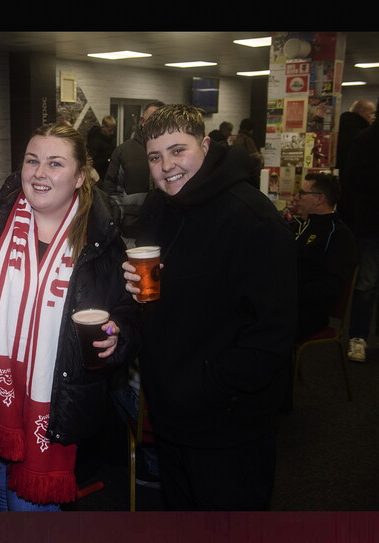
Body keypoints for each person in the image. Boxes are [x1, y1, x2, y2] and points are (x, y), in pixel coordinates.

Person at [123, 104, 296, 510]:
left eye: (177, 150)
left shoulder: (253, 220)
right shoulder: (158, 207)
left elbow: (271, 337)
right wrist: (131, 288)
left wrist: (206, 387)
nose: (167, 166)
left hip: (228, 424)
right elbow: (162, 297)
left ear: (204, 145)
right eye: (155, 156)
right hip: (169, 415)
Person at [0, 123, 140, 511]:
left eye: (55, 163)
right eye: (33, 161)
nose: (40, 173)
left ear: (80, 175)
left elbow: (126, 317)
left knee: (31, 510)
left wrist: (116, 334)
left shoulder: (101, 241)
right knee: (0, 495)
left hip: (58, 405)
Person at [345, 83, 379, 362]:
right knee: (366, 284)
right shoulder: (365, 140)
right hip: (373, 226)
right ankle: (358, 336)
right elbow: (353, 182)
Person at [290, 173, 357, 341]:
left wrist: (285, 291)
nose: (298, 197)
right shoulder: (305, 226)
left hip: (306, 313)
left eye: (303, 193)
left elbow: (330, 289)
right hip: (287, 303)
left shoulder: (339, 235)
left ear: (320, 199)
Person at [100, 100, 165, 241]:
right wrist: (120, 220)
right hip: (130, 232)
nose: (157, 124)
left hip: (165, 229)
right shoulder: (124, 151)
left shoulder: (172, 152)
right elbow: (111, 191)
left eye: (162, 120)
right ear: (143, 121)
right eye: (153, 119)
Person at [334, 98, 375, 226]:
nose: (374, 117)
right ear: (363, 112)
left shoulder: (336, 131)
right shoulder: (363, 137)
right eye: (372, 113)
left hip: (337, 192)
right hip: (354, 197)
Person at [233, 118, 263, 184]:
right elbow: (255, 155)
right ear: (251, 129)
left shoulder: (236, 138)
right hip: (249, 174)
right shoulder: (247, 139)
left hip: (237, 172)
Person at [86, 115, 117, 180]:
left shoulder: (111, 137)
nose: (112, 133)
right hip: (97, 173)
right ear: (103, 127)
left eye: (113, 130)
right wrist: (108, 160)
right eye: (110, 130)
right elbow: (94, 161)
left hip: (108, 171)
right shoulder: (94, 139)